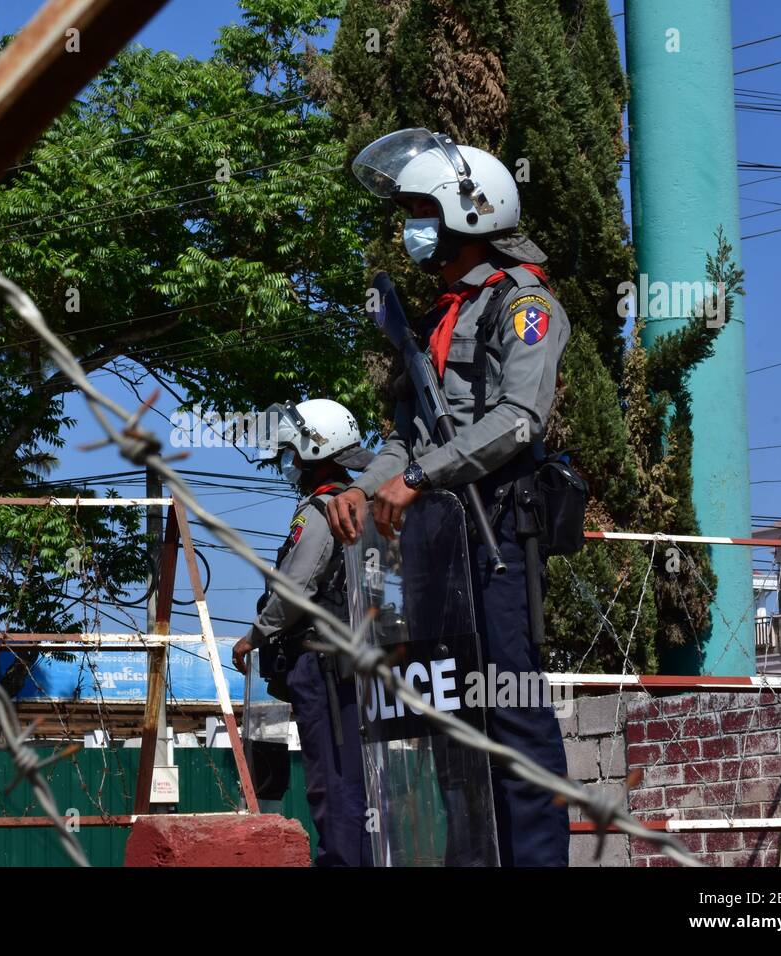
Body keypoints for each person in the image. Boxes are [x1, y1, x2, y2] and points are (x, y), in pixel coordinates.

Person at [325, 128, 571, 867]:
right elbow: (406, 440)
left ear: (471, 213)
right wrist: (357, 488)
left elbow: (519, 419)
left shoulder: (524, 305)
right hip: (438, 546)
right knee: (449, 719)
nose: (410, 228)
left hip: (496, 532)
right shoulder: (437, 316)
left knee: (513, 716)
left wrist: (422, 478)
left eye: (420, 211)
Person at [232, 398, 375, 867]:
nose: (290, 463)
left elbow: (296, 588)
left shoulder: (322, 508)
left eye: (294, 452)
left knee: (331, 777)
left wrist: (254, 634)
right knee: (352, 772)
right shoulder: (362, 501)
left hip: (321, 662)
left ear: (319, 449)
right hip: (355, 658)